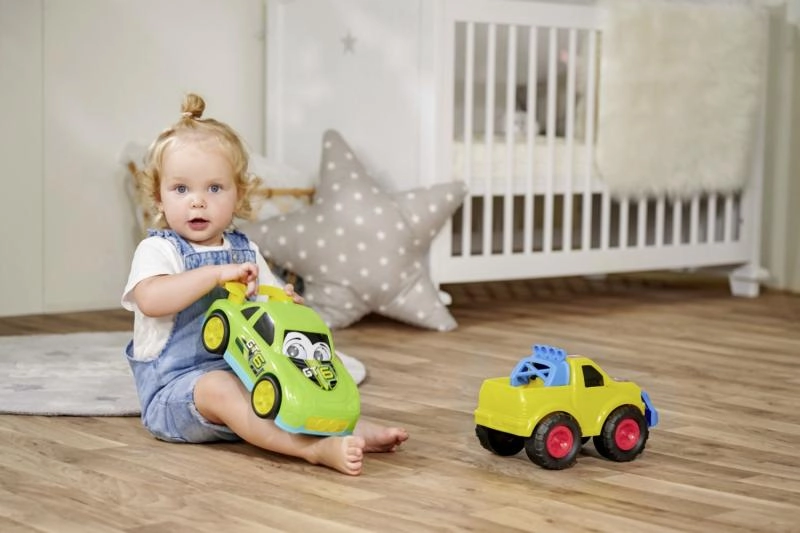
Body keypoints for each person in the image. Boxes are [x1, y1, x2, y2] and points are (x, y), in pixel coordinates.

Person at [122, 93, 408, 475]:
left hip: (249, 373)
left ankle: (347, 426)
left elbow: (268, 304)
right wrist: (213, 275)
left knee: (302, 370)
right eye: (181, 189)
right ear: (159, 196)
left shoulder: (245, 250)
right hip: (179, 395)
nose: (198, 202)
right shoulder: (158, 249)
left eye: (214, 188)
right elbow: (151, 299)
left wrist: (287, 303)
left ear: (238, 194)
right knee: (219, 387)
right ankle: (311, 449)